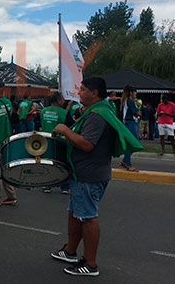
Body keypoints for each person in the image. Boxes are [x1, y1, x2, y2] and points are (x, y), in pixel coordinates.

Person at [49, 77, 141, 276]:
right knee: (75, 213)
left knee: (88, 217)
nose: (79, 93)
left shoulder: (98, 115)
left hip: (88, 175)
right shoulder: (94, 111)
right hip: (82, 173)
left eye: (83, 90)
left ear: (95, 93)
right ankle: (70, 252)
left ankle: (90, 264)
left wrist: (65, 130)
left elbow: (87, 144)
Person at [40, 92, 74, 194]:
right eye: (63, 99)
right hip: (60, 141)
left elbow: (41, 123)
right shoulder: (64, 113)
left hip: (45, 140)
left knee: (47, 163)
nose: (64, 102)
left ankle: (47, 185)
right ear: (58, 100)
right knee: (63, 164)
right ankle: (65, 186)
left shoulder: (43, 111)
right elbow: (72, 126)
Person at [118, 85, 140, 172]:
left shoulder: (128, 101)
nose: (136, 95)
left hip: (128, 122)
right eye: (135, 93)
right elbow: (136, 113)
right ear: (131, 93)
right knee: (133, 143)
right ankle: (128, 163)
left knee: (132, 143)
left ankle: (125, 161)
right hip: (130, 122)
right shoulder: (130, 102)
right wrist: (138, 111)